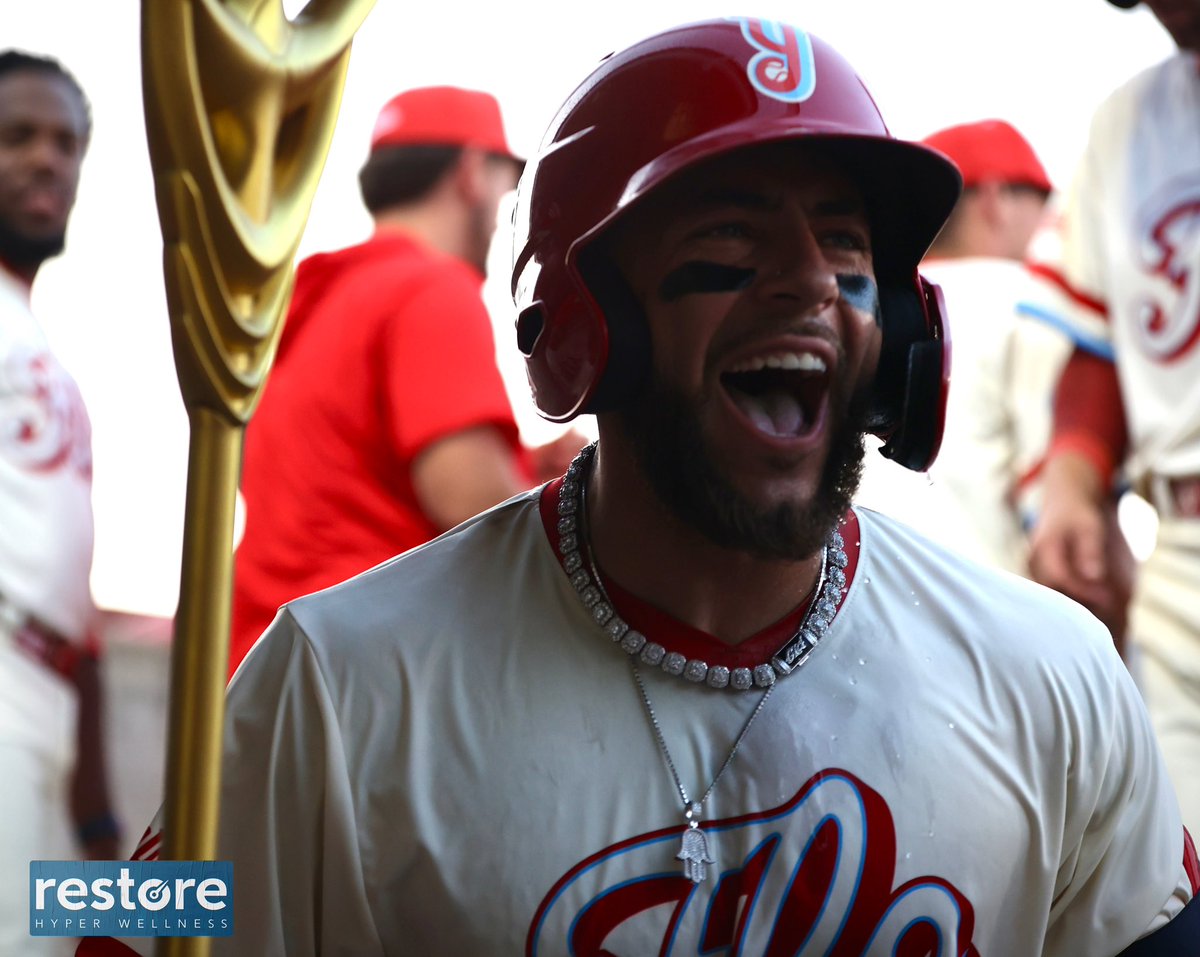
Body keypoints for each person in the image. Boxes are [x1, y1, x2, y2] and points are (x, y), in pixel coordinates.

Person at [97, 18, 1197, 956]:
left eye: (844, 244)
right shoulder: (335, 683)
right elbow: (109, 922)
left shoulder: (1053, 677)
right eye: (733, 236)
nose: (811, 282)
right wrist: (55, 897)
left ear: (900, 333)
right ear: (591, 327)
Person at [228, 84, 579, 678]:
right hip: (359, 683)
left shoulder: (312, 298)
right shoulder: (430, 291)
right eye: (503, 184)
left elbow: (346, 477)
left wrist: (524, 463)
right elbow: (475, 511)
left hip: (262, 669)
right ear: (471, 173)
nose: (503, 209)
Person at [1028, 0, 1200, 836]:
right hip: (1182, 562)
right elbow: (1101, 345)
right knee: (1179, 874)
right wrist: (1071, 485)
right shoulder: (1125, 123)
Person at [0, 50, 120, 955]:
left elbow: (74, 599)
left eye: (68, 143)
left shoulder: (41, 339)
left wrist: (99, 811)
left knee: (160, 919)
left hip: (53, 709)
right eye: (18, 137)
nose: (51, 160)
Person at [855, 118, 1072, 579]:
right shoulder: (1037, 302)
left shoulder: (861, 305)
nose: (1048, 217)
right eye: (1039, 199)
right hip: (998, 618)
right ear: (996, 200)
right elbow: (1062, 527)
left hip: (857, 597)